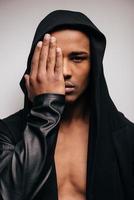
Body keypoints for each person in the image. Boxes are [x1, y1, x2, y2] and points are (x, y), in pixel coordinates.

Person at [0, 9, 134, 200]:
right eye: (51, 58)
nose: (64, 71)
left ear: (94, 64)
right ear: (34, 64)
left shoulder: (126, 138)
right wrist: (45, 109)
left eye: (77, 58)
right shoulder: (7, 133)